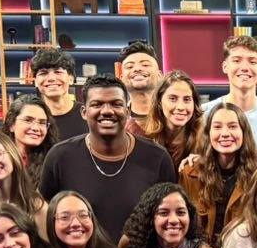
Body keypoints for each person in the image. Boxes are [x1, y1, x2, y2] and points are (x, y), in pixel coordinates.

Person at [38, 75, 177, 238]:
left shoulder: (157, 158)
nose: (107, 111)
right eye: (97, 104)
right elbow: (43, 213)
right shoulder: (60, 157)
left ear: (127, 111)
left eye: (116, 104)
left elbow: (170, 217)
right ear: (84, 112)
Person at [180, 102, 257, 244]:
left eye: (232, 126)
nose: (225, 134)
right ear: (208, 133)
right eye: (217, 127)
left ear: (244, 132)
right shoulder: (190, 172)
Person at [200, 35, 257, 148]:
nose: (244, 67)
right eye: (237, 61)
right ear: (225, 67)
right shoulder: (204, 114)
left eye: (252, 62)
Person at [143, 71, 201, 165]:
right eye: (173, 99)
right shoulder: (143, 138)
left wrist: (204, 163)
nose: (181, 107)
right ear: (159, 102)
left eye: (187, 99)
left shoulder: (206, 139)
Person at [32, 47, 87, 140]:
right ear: (36, 82)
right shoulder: (30, 118)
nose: (51, 78)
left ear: (71, 79)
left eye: (58, 72)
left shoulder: (88, 114)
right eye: (43, 73)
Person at [3, 94, 59, 177]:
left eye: (42, 123)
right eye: (28, 120)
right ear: (11, 124)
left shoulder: (54, 159)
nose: (36, 128)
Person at [118, 40, 162, 122]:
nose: (137, 69)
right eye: (130, 67)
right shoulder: (117, 121)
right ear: (122, 79)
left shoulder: (173, 118)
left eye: (145, 65)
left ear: (159, 76)